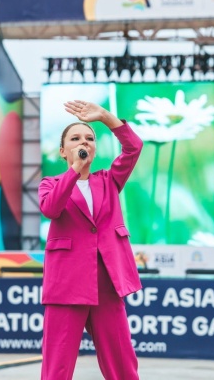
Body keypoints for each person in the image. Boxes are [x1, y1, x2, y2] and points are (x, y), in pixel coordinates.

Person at [38, 100, 143, 380]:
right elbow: (51, 208)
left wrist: (106, 117)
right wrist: (74, 170)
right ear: (63, 151)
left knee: (122, 365)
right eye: (75, 138)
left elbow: (134, 148)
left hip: (107, 283)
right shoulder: (50, 184)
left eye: (89, 138)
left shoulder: (109, 181)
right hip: (66, 286)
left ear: (95, 148)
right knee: (57, 368)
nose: (84, 142)